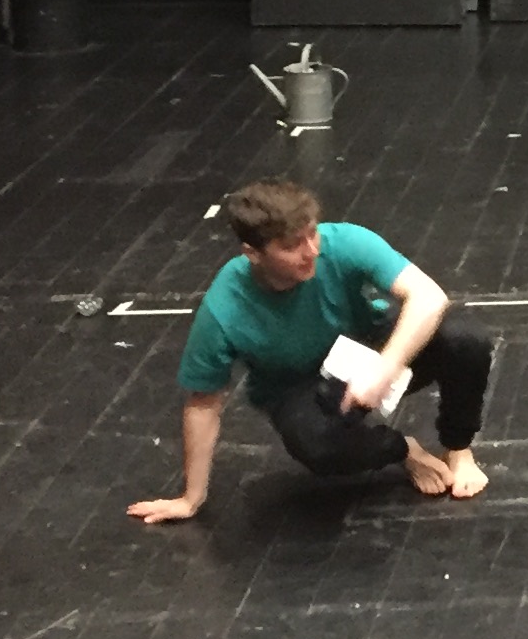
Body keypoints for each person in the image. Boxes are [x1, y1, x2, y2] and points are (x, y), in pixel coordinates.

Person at [130, 179, 494, 521]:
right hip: (300, 387)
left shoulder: (344, 241)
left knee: (464, 337)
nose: (311, 251)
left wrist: (384, 368)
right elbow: (203, 402)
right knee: (315, 445)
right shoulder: (224, 308)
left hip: (366, 349)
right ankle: (404, 450)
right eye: (291, 246)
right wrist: (191, 498)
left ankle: (458, 448)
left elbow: (429, 296)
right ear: (253, 253)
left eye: (312, 233)